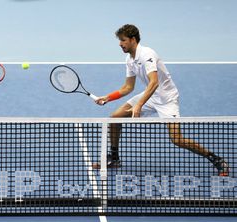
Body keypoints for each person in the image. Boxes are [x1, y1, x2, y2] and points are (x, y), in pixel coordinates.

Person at [94, 24, 229, 176]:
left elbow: (154, 82)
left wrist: (139, 105)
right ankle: (114, 158)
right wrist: (108, 97)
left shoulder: (147, 54)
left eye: (123, 40)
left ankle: (216, 159)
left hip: (167, 99)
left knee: (177, 139)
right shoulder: (129, 59)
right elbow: (128, 87)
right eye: (120, 41)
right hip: (150, 95)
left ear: (133, 39)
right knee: (114, 118)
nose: (120, 44)